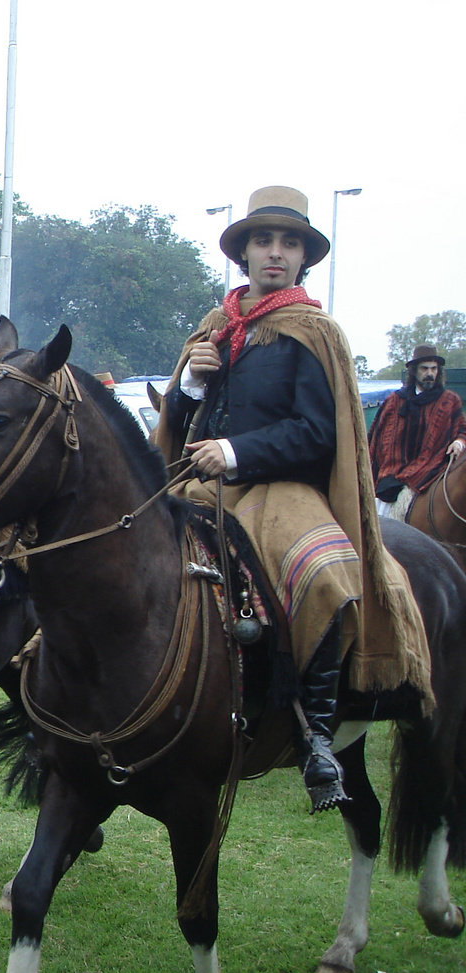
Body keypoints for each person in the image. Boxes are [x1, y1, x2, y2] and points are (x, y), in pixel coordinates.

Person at [155, 185, 431, 813]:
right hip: (202, 486)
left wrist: (237, 451)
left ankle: (317, 736)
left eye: (288, 242)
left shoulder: (313, 332)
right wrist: (193, 387)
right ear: (244, 251)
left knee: (327, 573)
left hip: (281, 491)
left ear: (303, 256)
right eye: (263, 240)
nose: (274, 252)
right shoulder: (214, 328)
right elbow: (178, 423)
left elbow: (317, 433)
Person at [368, 344, 466, 519]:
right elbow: (375, 437)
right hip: (391, 473)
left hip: (431, 470)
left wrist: (459, 442)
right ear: (414, 371)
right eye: (424, 368)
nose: (430, 373)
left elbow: (462, 430)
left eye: (434, 369)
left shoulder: (449, 401)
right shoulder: (394, 401)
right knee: (378, 517)